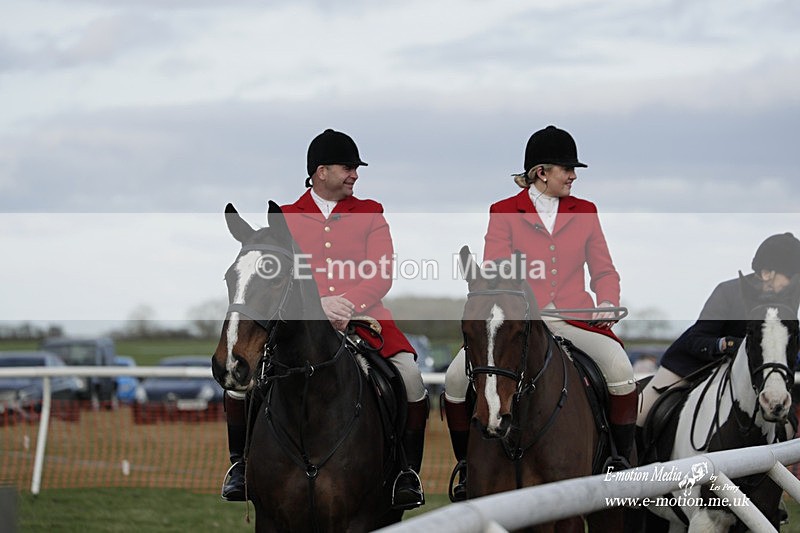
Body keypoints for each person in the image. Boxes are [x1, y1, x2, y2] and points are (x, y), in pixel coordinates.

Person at [221, 129, 428, 510]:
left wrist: (346, 303)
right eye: (348, 167)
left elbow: (382, 274)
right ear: (321, 171)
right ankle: (241, 465)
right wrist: (319, 306)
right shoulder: (284, 217)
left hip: (368, 320)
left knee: (411, 379)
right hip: (302, 325)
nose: (355, 175)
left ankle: (405, 473)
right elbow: (279, 275)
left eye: (355, 169)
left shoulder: (370, 212)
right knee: (240, 386)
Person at [443, 125, 637, 499]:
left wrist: (607, 300)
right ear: (541, 172)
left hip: (574, 318)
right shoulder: (503, 211)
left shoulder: (586, 210)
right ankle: (467, 468)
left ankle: (618, 460)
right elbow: (497, 270)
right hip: (520, 321)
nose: (574, 176)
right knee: (454, 380)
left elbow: (603, 269)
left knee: (620, 370)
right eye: (567, 169)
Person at [637, 232, 800, 429]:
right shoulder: (728, 292)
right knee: (640, 414)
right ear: (768, 273)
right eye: (790, 276)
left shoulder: (785, 304)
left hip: (745, 374)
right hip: (692, 367)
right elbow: (696, 339)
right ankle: (626, 459)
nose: (793, 283)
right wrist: (728, 344)